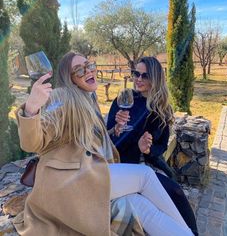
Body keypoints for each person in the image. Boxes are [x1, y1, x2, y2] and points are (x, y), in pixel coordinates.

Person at [13, 53, 194, 236]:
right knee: (146, 176)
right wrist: (31, 109)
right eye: (79, 70)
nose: (88, 71)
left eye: (89, 65)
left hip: (90, 174)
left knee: (137, 203)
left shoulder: (87, 98)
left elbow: (90, 141)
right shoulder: (63, 97)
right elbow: (33, 143)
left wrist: (115, 130)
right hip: (72, 182)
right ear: (70, 79)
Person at [107, 56, 198, 236]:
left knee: (176, 192)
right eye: (136, 74)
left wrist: (147, 149)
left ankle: (192, 232)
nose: (138, 79)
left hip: (145, 163)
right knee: (161, 198)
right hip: (119, 162)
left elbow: (161, 146)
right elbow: (108, 137)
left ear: (155, 78)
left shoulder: (161, 109)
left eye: (145, 76)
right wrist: (116, 128)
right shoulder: (123, 99)